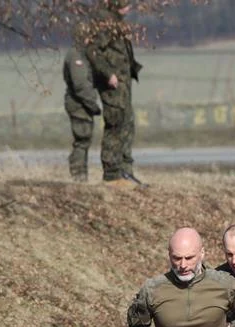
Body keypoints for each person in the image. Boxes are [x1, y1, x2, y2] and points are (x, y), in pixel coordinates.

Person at [83, 0, 143, 188]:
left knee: (127, 123)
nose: (130, 7)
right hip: (112, 84)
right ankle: (112, 175)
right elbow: (92, 51)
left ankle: (125, 171)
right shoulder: (105, 23)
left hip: (123, 83)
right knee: (115, 124)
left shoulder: (116, 22)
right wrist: (108, 73)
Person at [62, 45, 101, 182]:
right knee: (82, 139)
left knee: (85, 140)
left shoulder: (83, 54)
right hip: (78, 104)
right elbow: (80, 85)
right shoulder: (76, 55)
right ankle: (79, 175)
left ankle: (81, 175)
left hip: (82, 103)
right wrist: (93, 104)